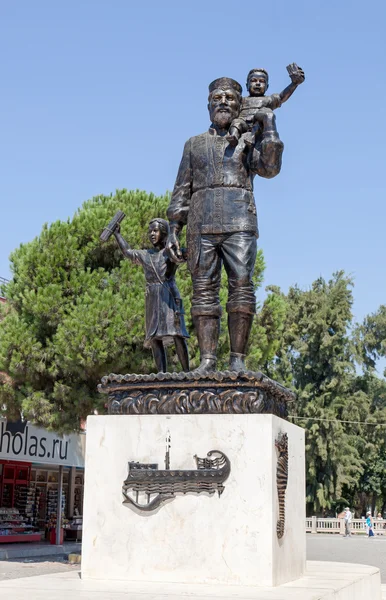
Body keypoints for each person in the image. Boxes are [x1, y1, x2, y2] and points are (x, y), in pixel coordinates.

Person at [166, 77, 283, 374]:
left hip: (239, 219)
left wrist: (268, 124)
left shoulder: (248, 140)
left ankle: (237, 360)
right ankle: (207, 361)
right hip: (201, 222)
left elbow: (270, 168)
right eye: (217, 98)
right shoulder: (193, 144)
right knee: (203, 290)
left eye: (230, 98)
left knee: (241, 286)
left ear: (240, 104)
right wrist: (173, 229)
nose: (223, 103)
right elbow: (182, 188)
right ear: (208, 105)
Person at [113, 218, 189, 373]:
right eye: (150, 231)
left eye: (155, 230)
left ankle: (187, 372)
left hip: (168, 294)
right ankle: (161, 374)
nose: (152, 234)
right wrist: (117, 234)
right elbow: (128, 252)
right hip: (152, 298)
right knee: (154, 336)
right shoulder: (145, 255)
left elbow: (185, 255)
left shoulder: (170, 251)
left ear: (164, 232)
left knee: (177, 333)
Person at [226, 64, 305, 147]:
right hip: (243, 123)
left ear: (267, 87)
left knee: (264, 117)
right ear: (247, 85)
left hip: (258, 124)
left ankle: (251, 137)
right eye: (254, 80)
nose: (258, 84)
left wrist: (294, 84)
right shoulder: (241, 100)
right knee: (236, 122)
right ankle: (234, 136)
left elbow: (282, 97)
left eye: (262, 81)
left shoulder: (268, 99)